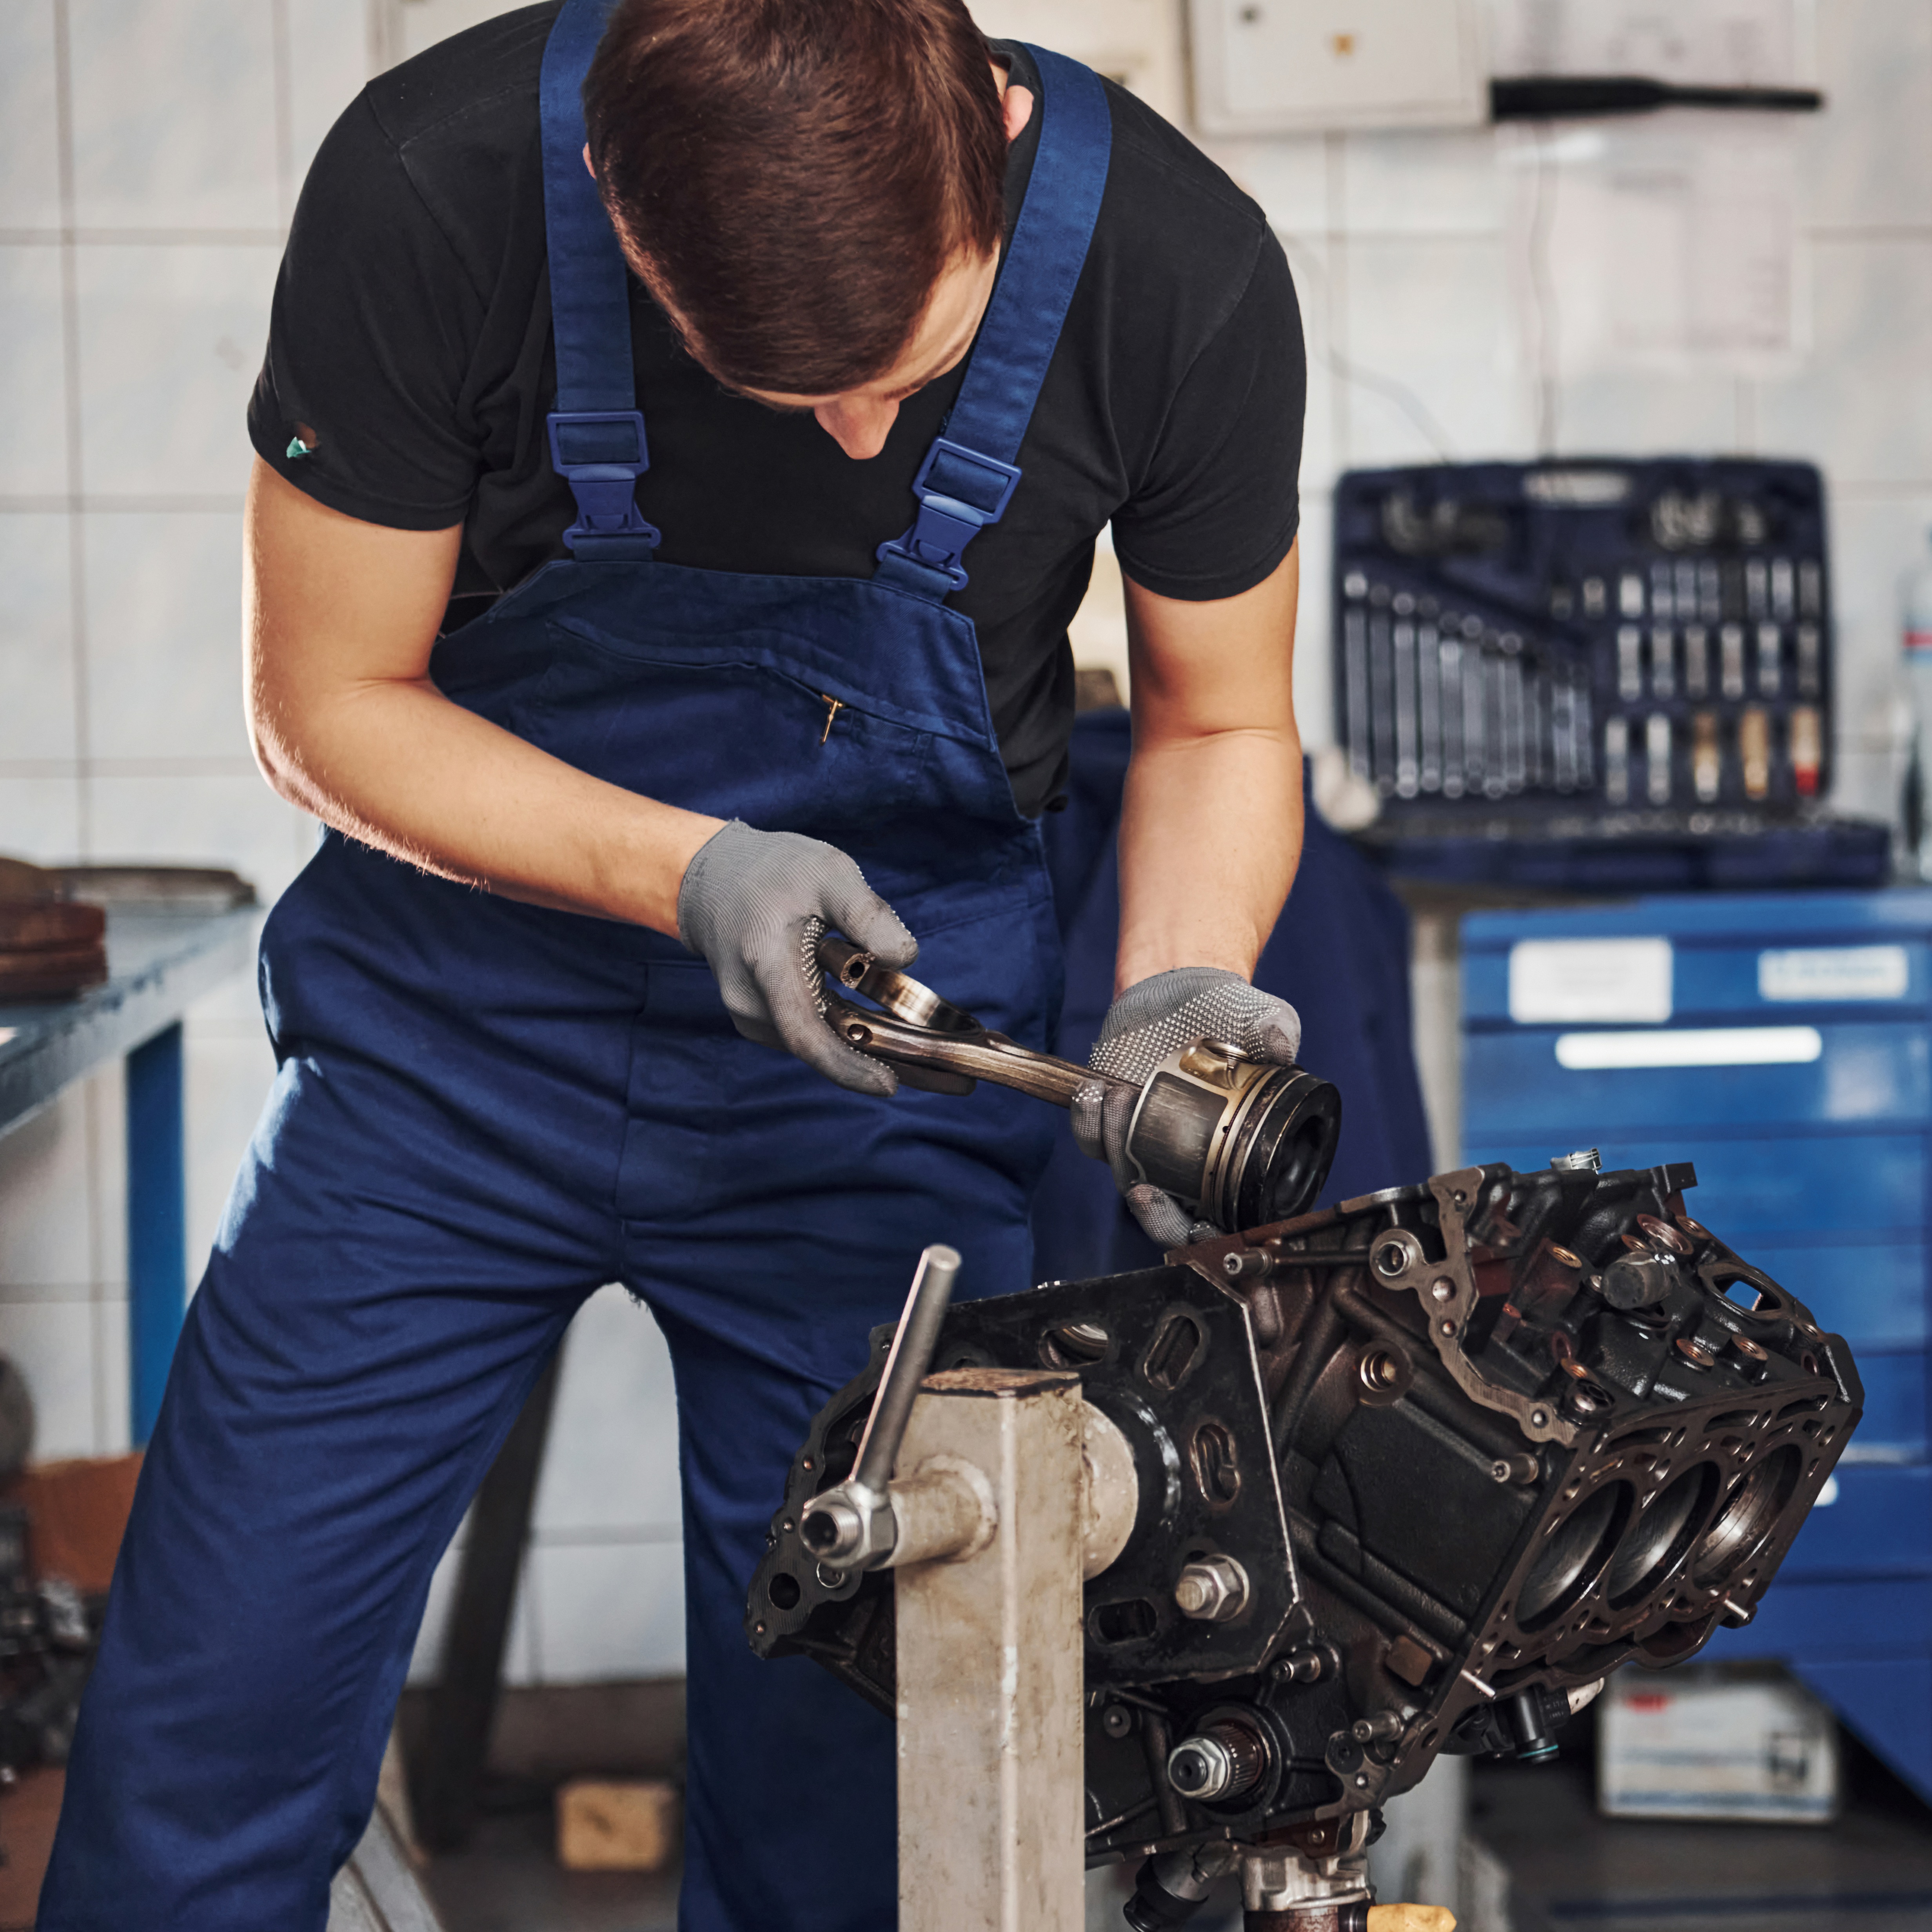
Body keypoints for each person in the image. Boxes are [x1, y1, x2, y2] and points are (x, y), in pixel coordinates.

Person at [39, 0, 1307, 1925]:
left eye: (916, 366)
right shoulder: (431, 184)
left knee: (867, 1807)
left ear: (977, 126)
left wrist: (1179, 984)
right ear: (626, 232)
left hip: (880, 1087)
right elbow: (323, 697)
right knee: (199, 1740)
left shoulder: (1178, 267)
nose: (868, 438)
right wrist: (682, 868)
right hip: (446, 1067)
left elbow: (1221, 721)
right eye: (794, 392)